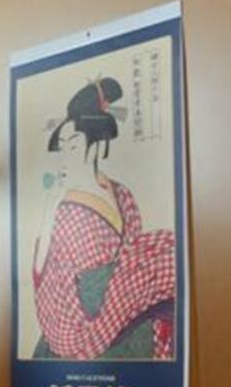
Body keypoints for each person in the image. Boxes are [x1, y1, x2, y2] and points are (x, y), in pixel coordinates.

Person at [31, 78, 176, 360]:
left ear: (96, 148)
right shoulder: (65, 208)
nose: (63, 157)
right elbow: (47, 274)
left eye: (72, 146)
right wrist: (49, 211)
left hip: (131, 306)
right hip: (86, 317)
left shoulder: (121, 193)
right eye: (61, 147)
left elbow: (133, 251)